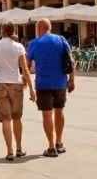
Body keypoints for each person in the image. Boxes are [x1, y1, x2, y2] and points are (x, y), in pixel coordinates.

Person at [26, 18, 76, 157]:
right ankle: (59, 142)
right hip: (60, 82)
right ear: (50, 27)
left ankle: (51, 146)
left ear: (39, 28)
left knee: (47, 114)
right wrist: (72, 80)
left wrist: (26, 81)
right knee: (59, 111)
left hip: (43, 84)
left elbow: (27, 65)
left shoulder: (34, 43)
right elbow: (71, 61)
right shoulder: (61, 40)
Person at [0, 22, 36, 162]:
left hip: (0, 84)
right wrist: (32, 89)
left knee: (6, 119)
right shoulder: (19, 46)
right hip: (16, 84)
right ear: (14, 31)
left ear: (2, 31)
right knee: (17, 117)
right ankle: (19, 148)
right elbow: (25, 69)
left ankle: (9, 151)